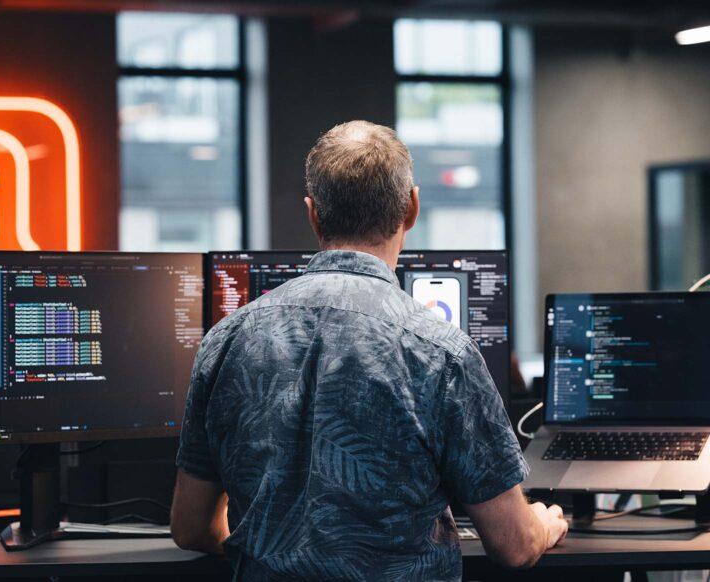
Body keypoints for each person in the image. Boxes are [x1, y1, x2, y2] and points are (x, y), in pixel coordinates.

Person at [170, 121, 567, 580]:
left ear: (313, 214)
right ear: (412, 208)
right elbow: (513, 546)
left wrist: (260, 542)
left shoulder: (225, 341)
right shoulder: (443, 353)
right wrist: (542, 525)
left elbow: (190, 527)